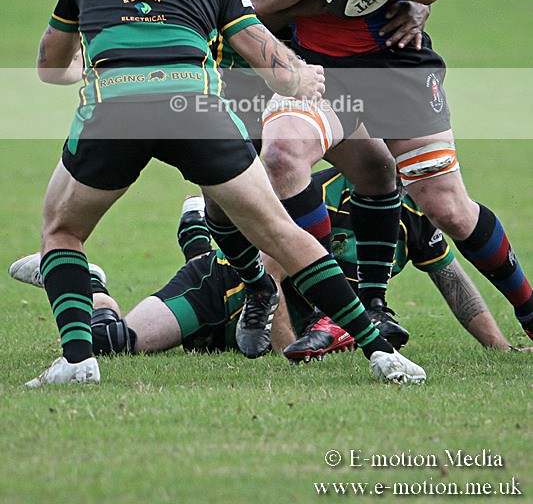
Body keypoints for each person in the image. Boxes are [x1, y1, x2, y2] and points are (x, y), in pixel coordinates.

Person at [26, 0, 426, 387]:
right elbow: (276, 70)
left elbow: (48, 64)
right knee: (281, 233)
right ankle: (381, 354)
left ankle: (79, 361)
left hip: (115, 112)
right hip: (194, 109)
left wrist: (89, 69)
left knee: (62, 231)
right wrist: (305, 76)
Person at [240, 0, 533, 344]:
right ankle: (342, 309)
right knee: (281, 153)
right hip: (317, 68)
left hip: (397, 63)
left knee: (445, 205)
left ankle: (527, 305)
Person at [211, 0, 430, 349]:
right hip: (249, 82)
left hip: (324, 74)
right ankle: (261, 294)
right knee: (227, 205)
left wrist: (412, 4)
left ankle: (353, 308)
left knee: (381, 170)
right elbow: (250, 10)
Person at [10, 178, 522, 359]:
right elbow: (273, 278)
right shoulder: (319, 197)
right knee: (112, 343)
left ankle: (196, 225)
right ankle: (90, 284)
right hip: (226, 290)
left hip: (246, 332)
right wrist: (285, 352)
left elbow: (453, 280)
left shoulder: (413, 208)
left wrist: (500, 348)